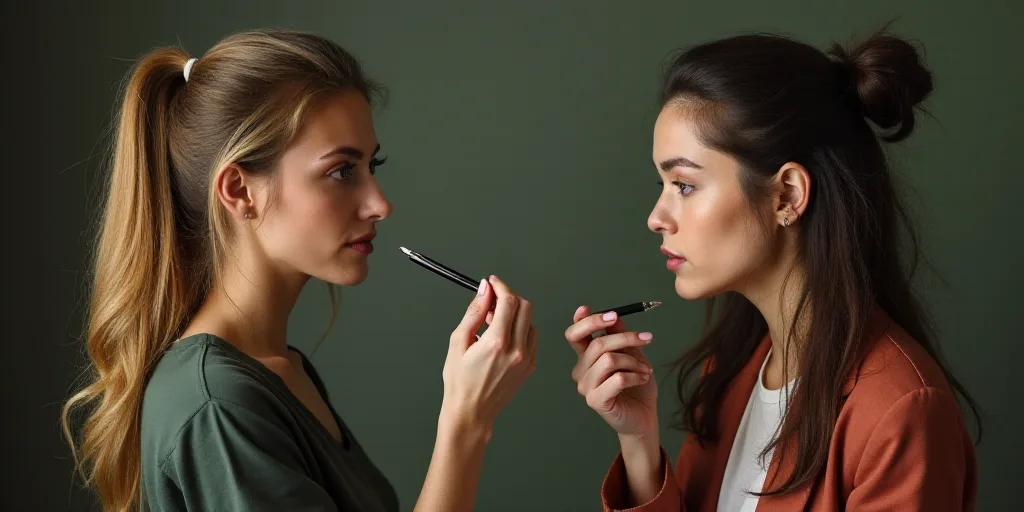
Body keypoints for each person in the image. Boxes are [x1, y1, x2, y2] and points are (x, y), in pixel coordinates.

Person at [61, 29, 537, 512]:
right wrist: (465, 421)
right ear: (240, 191)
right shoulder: (218, 405)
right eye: (341, 171)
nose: (380, 204)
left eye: (374, 166)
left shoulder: (282, 373)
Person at [565, 29, 980, 511]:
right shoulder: (730, 371)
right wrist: (638, 442)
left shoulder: (899, 411)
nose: (656, 217)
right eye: (662, 183)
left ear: (787, 195)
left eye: (684, 185)